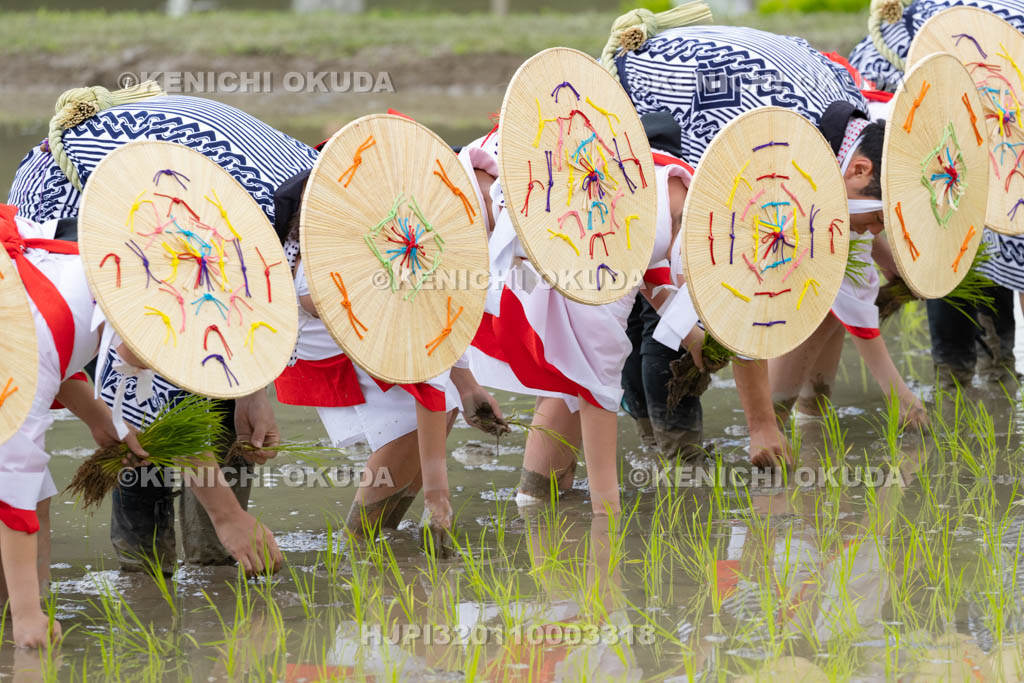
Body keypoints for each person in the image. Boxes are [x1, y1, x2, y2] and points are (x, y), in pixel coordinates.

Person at [6, 85, 309, 573]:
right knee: (144, 410)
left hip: (177, 191)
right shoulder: (115, 288)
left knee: (186, 383)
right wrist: (228, 514)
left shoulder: (297, 199)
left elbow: (258, 304)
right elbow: (138, 399)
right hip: (82, 202)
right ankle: (148, 563)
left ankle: (214, 556)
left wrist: (253, 392)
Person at [606, 18, 927, 426]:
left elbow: (854, 232)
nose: (877, 231)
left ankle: (658, 438)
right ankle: (669, 449)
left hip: (710, 94)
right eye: (880, 218)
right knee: (668, 306)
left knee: (675, 305)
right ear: (861, 170)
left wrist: (897, 268)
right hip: (647, 101)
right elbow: (751, 285)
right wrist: (761, 427)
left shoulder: (847, 140)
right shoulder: (783, 152)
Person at [0, 205, 279, 649]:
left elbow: (61, 354)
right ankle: (26, 617)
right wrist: (30, 621)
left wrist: (100, 418)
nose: (166, 370)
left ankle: (26, 604)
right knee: (23, 498)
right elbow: (12, 492)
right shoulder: (22, 347)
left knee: (38, 500)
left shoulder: (112, 270)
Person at [272, 174, 507, 542]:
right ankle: (361, 544)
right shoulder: (326, 259)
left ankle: (381, 536)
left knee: (440, 411)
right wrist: (438, 496)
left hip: (365, 327)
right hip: (327, 351)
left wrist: (469, 386)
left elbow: (438, 334)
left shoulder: (409, 243)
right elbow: (425, 371)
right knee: (417, 424)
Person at [848, 0, 1018, 385]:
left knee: (985, 236)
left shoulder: (1005, 18)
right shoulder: (911, 24)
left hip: (1000, 157)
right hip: (940, 158)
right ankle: (965, 375)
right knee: (948, 240)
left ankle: (983, 372)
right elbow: (866, 94)